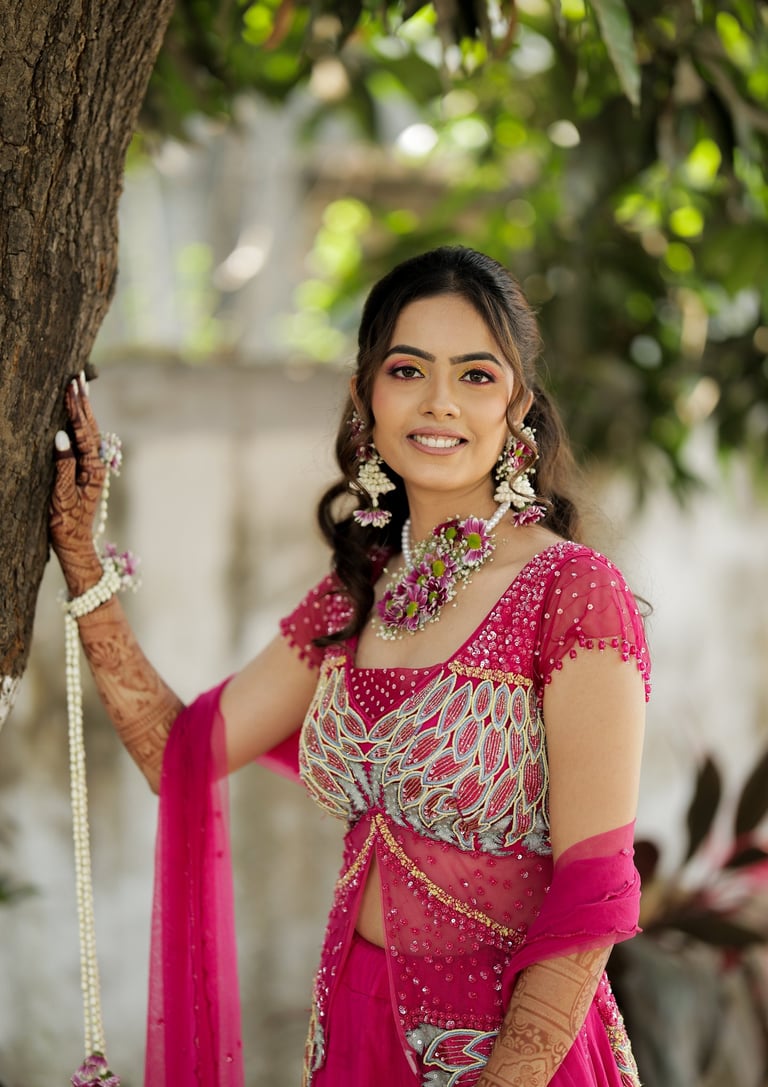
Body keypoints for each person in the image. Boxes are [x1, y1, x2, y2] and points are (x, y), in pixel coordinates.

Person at [50, 246, 650, 1087]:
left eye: (476, 376)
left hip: (513, 1049)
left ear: (519, 405)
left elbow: (593, 889)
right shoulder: (358, 595)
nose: (440, 401)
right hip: (357, 1027)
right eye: (409, 369)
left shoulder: (571, 592)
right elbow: (178, 748)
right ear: (368, 393)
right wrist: (82, 565)